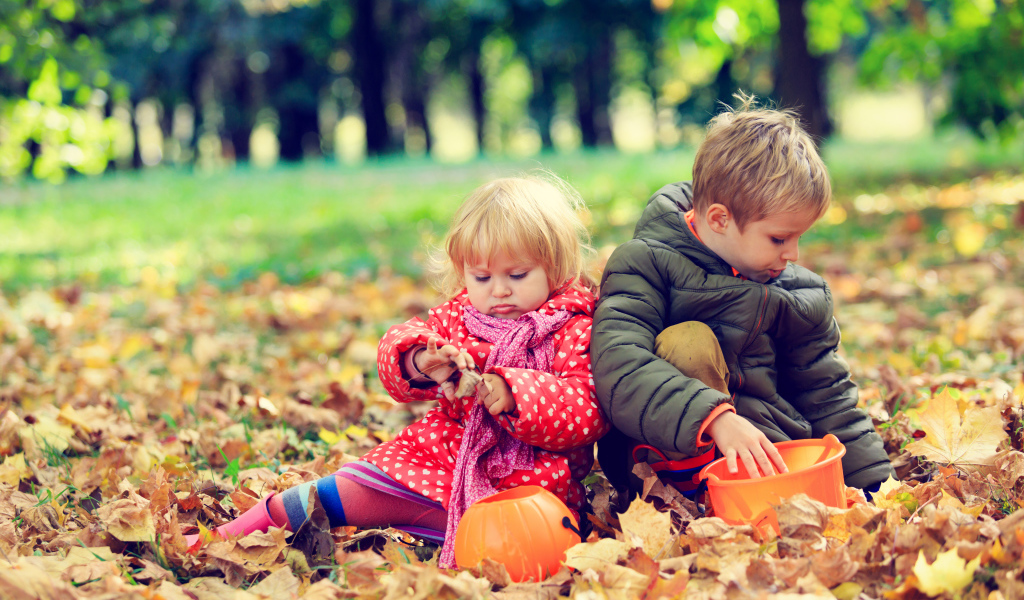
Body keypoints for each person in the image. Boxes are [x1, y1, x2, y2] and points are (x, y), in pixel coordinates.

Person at [186, 175, 609, 569]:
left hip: (530, 489)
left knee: (516, 544)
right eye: (481, 276)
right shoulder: (457, 319)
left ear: (554, 267)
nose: (498, 290)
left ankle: (448, 532)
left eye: (517, 275)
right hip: (436, 463)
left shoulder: (572, 330)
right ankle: (222, 538)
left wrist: (515, 392)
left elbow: (587, 409)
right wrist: (420, 361)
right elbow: (396, 349)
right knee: (337, 491)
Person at [592, 94, 894, 503]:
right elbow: (619, 365)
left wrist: (876, 484)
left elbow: (826, 393)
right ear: (719, 219)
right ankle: (695, 497)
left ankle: (763, 495)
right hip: (666, 461)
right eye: (779, 238)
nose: (793, 255)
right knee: (689, 341)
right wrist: (711, 417)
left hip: (766, 457)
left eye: (799, 237)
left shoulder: (797, 291)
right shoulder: (645, 265)